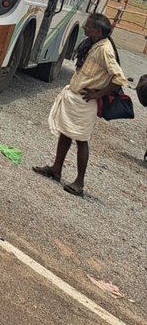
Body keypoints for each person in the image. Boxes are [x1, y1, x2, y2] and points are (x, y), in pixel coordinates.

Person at [32, 12, 127, 196]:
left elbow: (119, 79)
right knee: (66, 133)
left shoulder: (105, 50)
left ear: (98, 31)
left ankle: (79, 183)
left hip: (86, 102)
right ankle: (56, 169)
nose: (85, 28)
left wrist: (97, 94)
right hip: (76, 97)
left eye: (88, 27)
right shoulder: (93, 44)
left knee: (81, 140)